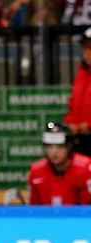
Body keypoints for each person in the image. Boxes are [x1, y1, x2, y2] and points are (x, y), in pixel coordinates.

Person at [27, 122, 91, 206]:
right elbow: (34, 209)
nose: (54, 152)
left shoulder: (85, 168)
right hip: (47, 218)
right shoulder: (36, 171)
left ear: (69, 146)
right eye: (49, 146)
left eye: (60, 146)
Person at [64, 28, 91, 157]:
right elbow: (73, 107)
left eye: (90, 48)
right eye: (84, 48)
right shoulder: (81, 76)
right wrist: (70, 124)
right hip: (79, 142)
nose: (87, 53)